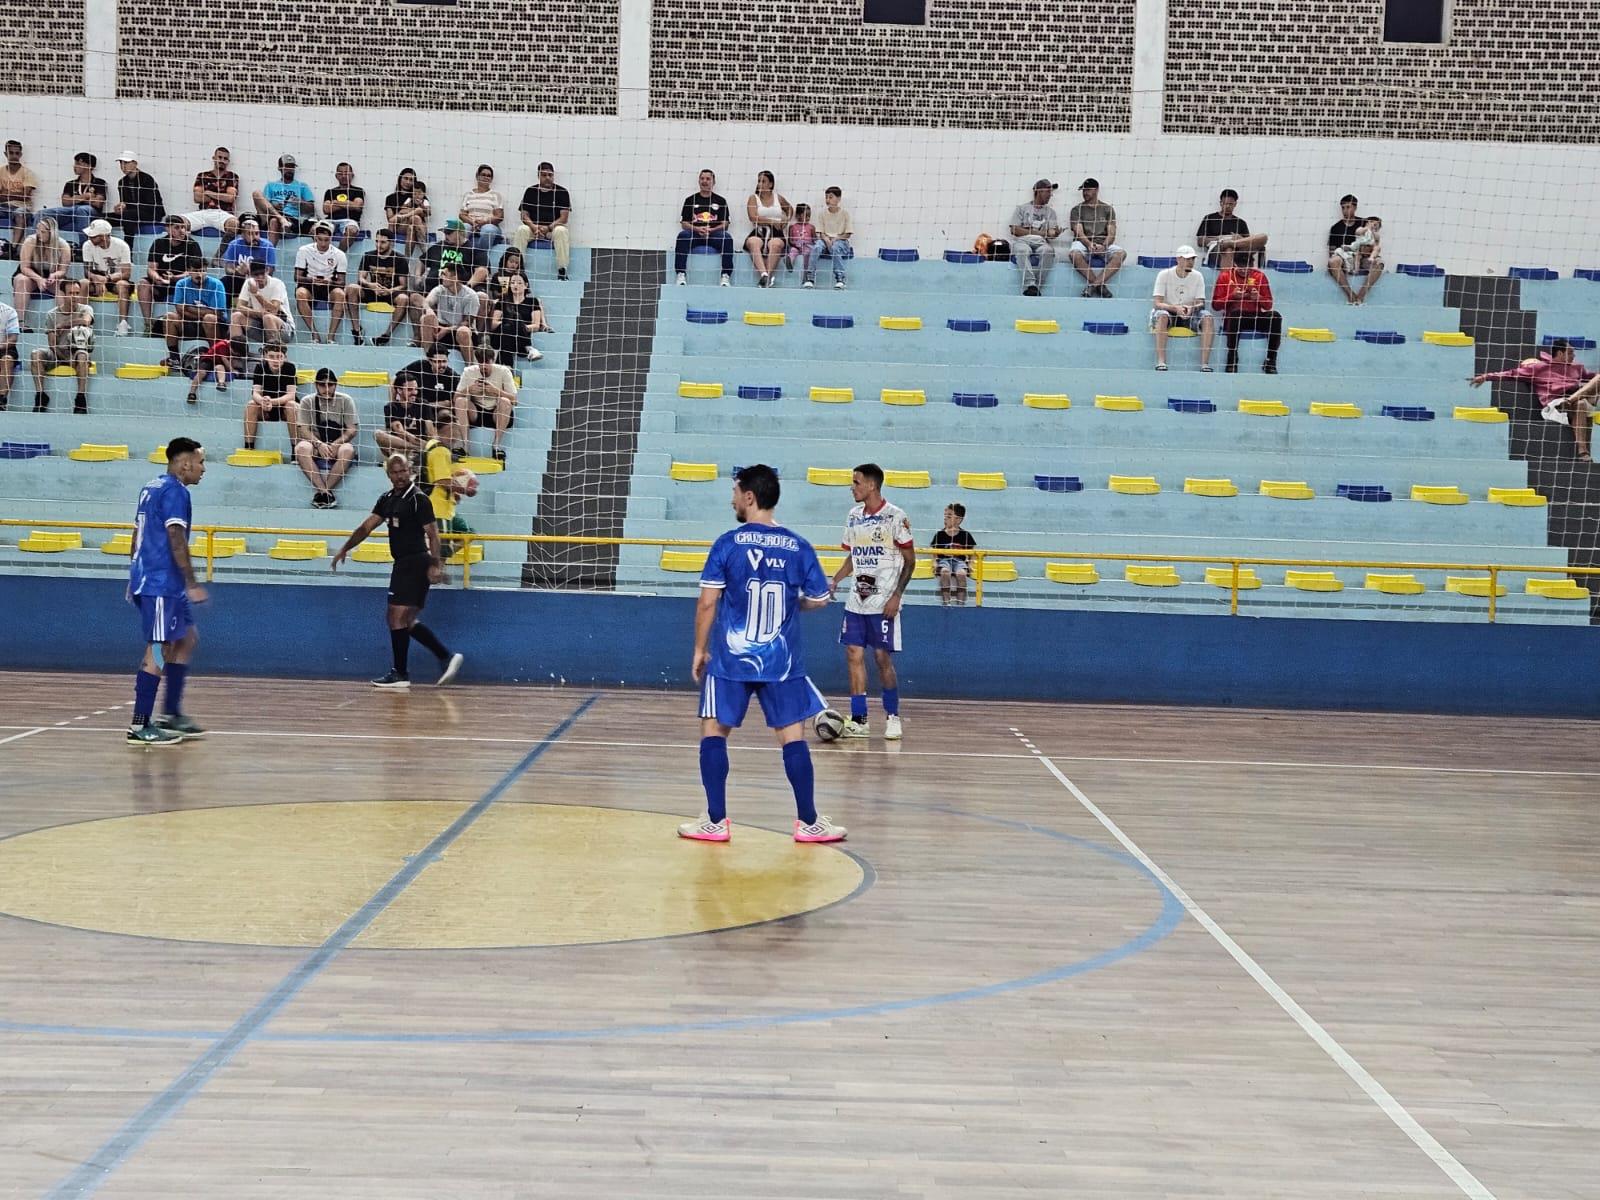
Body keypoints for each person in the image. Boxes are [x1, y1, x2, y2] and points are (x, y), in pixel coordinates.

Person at [679, 463, 845, 845]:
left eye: (736, 493)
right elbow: (821, 598)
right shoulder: (798, 546)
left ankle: (715, 821)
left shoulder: (727, 544)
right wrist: (792, 605)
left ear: (750, 497)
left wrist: (700, 650)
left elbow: (707, 603)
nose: (733, 500)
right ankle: (809, 823)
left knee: (713, 732)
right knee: (792, 738)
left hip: (731, 660)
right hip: (781, 661)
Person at [332, 453, 464, 690]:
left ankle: (401, 673)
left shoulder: (418, 499)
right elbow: (366, 527)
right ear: (388, 475)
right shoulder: (387, 499)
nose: (400, 476)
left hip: (415, 563)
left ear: (409, 471)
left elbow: (434, 534)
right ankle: (445, 657)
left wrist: (436, 565)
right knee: (405, 620)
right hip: (402, 564)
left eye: (403, 471)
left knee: (396, 617)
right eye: (395, 472)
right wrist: (345, 548)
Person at [126, 436, 209, 747]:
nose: (203, 469)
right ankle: (139, 725)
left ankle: (171, 713)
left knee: (186, 638)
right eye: (200, 462)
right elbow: (176, 537)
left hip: (156, 579)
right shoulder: (175, 491)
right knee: (159, 648)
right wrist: (192, 583)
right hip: (160, 582)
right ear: (185, 463)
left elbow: (138, 532)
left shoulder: (151, 486)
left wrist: (133, 571)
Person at [828, 463, 914, 740]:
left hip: (884, 601)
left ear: (872, 485)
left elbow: (910, 561)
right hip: (856, 601)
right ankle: (859, 719)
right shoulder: (853, 516)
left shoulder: (895, 517)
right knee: (853, 654)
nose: (851, 487)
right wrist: (835, 579)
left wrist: (897, 596)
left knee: (881, 657)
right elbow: (853, 556)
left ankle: (892, 716)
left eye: (856, 482)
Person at [1472, 338, 1595, 461]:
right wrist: (1486, 377)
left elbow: (1592, 378)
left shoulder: (1577, 367)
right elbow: (1511, 374)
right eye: (1570, 352)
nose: (1574, 356)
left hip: (1577, 398)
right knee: (1580, 404)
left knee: (1592, 387)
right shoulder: (1539, 368)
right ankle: (1583, 451)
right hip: (1555, 405)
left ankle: (1571, 401)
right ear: (1560, 353)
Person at [295, 368, 359, 508]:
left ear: (336, 384)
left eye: (330, 385)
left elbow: (352, 430)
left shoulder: (346, 400)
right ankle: (325, 492)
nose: (327, 389)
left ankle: (323, 492)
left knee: (348, 450)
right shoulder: (307, 401)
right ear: (316, 385)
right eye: (322, 385)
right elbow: (303, 430)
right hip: (316, 444)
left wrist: (335, 444)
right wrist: (319, 444)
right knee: (301, 448)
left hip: (337, 444)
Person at [30, 279, 94, 414]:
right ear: (63, 294)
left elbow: (86, 321)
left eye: (77, 293)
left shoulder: (85, 309)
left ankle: (80, 399)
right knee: (36, 354)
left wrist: (63, 325)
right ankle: (40, 396)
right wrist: (64, 358)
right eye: (71, 293)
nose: (74, 296)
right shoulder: (52, 314)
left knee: (82, 356)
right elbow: (52, 344)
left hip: (76, 352)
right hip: (57, 352)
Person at [1212, 257, 1282, 374]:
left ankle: (1270, 360)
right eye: (1241, 268)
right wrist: (1232, 296)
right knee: (1235, 314)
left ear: (1252, 266)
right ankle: (1232, 358)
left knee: (1275, 316)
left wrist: (1258, 298)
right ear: (1235, 265)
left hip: (1255, 316)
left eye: (1247, 268)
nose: (1244, 271)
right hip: (1234, 318)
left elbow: (1268, 305)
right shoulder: (1225, 276)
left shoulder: (1259, 276)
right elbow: (1215, 305)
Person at [1152, 245, 1215, 371]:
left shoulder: (1198, 276)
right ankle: (1161, 361)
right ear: (1178, 259)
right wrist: (1175, 308)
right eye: (1187, 259)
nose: (1190, 262)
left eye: (1192, 259)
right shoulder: (1164, 275)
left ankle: (1205, 364)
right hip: (1170, 312)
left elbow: (1201, 302)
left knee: (1207, 317)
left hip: (1189, 313)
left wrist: (1192, 308)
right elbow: (1157, 303)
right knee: (1162, 315)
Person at [156, 262, 227, 369]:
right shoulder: (181, 284)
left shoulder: (217, 284)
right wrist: (203, 313)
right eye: (195, 271)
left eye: (202, 271)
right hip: (189, 323)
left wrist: (189, 308)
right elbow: (180, 310)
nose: (199, 274)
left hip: (214, 325)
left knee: (209, 318)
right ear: (189, 271)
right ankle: (174, 358)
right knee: (170, 316)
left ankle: (215, 357)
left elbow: (217, 312)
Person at [138, 214, 203, 331]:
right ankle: (148, 324)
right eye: (177, 227)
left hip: (183, 283)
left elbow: (195, 272)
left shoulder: (192, 245)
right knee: (143, 283)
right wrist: (157, 278)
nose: (182, 231)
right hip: (162, 283)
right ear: (167, 228)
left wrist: (175, 278)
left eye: (183, 227)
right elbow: (151, 268)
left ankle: (183, 325)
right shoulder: (158, 243)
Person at [454, 344, 518, 462]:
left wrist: (496, 391)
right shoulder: (468, 371)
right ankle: (465, 447)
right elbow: (455, 398)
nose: (483, 366)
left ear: (493, 360)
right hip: (476, 412)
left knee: (505, 401)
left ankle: (496, 446)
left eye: (487, 362)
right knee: (460, 401)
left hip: (496, 413)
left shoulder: (504, 371)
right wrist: (468, 390)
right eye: (480, 363)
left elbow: (514, 400)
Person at [511, 161, 572, 280]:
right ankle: (517, 269)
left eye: (550, 175)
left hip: (552, 229)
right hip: (534, 228)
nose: (547, 178)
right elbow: (524, 215)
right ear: (538, 176)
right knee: (522, 229)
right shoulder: (530, 191)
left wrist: (548, 228)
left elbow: (564, 218)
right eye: (544, 175)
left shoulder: (562, 192)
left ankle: (562, 270)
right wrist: (534, 227)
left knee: (561, 231)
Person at [356, 228, 416, 346]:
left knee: (404, 298)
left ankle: (386, 335)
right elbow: (361, 279)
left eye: (383, 242)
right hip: (373, 290)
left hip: (391, 293)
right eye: (377, 241)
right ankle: (356, 330)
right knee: (352, 288)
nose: (379, 245)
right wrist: (370, 285)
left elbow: (403, 285)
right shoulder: (368, 256)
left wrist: (389, 291)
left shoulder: (400, 259)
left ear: (391, 243)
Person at [294, 221, 352, 343]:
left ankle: (331, 336)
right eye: (320, 239)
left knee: (340, 294)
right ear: (315, 237)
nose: (323, 243)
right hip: (309, 284)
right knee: (300, 293)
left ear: (331, 238)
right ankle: (314, 334)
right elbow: (297, 277)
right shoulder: (304, 250)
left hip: (329, 286)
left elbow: (342, 282)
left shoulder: (339, 254)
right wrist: (312, 280)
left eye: (326, 240)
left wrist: (328, 282)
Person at [674, 169, 733, 286]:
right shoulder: (690, 200)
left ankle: (725, 276)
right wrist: (697, 229)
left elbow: (725, 224)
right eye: (702, 178)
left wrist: (712, 230)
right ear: (698, 181)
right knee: (682, 236)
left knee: (726, 238)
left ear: (713, 182)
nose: (704, 181)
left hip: (714, 234)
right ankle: (681, 274)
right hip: (695, 234)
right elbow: (684, 223)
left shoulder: (721, 201)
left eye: (708, 179)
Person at [11, 216, 72, 328]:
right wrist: (38, 279)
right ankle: (19, 323)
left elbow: (63, 271)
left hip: (51, 276)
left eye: (43, 232)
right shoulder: (30, 241)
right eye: (37, 230)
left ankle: (63, 323)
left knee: (63, 285)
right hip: (30, 274)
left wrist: (54, 275)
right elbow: (24, 267)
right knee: (22, 281)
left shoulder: (63, 246)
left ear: (52, 233)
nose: (39, 234)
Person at [1069, 178, 1126, 297]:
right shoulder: (1077, 210)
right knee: (1074, 254)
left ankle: (1093, 286)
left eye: (1088, 190)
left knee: (1121, 254)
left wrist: (1104, 245)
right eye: (1083, 190)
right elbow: (1079, 232)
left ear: (1096, 190)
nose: (1085, 193)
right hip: (1084, 243)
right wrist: (1089, 244)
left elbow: (1112, 233)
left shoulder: (1107, 209)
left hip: (1102, 243)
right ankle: (1100, 286)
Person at [80, 219, 135, 335]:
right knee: (83, 283)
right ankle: (83, 323)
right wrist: (96, 279)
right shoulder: (87, 245)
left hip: (116, 280)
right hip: (97, 279)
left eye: (93, 236)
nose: (90, 238)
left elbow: (126, 273)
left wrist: (107, 279)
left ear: (104, 236)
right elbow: (87, 271)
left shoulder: (122, 246)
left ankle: (123, 324)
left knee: (123, 285)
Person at [394, 345, 459, 441]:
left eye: (444, 361)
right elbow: (395, 381)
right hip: (415, 409)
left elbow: (451, 402)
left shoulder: (452, 376)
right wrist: (396, 403)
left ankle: (440, 445)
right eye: (438, 362)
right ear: (429, 361)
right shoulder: (419, 366)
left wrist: (426, 405)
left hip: (437, 411)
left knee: (446, 414)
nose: (442, 365)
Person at [243, 341, 300, 451]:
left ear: (285, 357)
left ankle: (295, 449)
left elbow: (291, 395)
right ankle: (248, 447)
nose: (275, 360)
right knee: (251, 405)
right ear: (265, 356)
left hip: (284, 408)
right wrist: (262, 401)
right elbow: (255, 393)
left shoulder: (289, 368)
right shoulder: (260, 367)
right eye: (271, 356)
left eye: (279, 357)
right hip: (266, 408)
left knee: (292, 406)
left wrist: (272, 402)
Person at [1009, 179, 1062, 297]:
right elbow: (1014, 230)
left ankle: (1035, 287)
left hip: (1041, 242)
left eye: (1051, 192)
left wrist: (1054, 233)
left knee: (1048, 251)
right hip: (1023, 240)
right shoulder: (1022, 208)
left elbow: (1051, 232)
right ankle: (1030, 284)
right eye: (1048, 191)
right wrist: (1040, 232)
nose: (1050, 195)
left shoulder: (1051, 212)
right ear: (1039, 191)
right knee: (1022, 250)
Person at [1196, 188, 1268, 271]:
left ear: (1235, 204)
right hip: (1218, 249)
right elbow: (1200, 241)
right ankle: (1229, 245)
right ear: (1221, 203)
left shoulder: (1240, 222)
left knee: (1263, 238)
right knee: (1228, 248)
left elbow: (1248, 242)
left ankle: (1232, 243)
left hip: (1238, 249)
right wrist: (1218, 239)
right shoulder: (1210, 218)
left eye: (1230, 204)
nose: (1227, 206)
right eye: (1225, 203)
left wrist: (1239, 239)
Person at [420, 263, 480, 360]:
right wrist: (428, 309)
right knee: (426, 318)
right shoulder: (440, 289)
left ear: (455, 278)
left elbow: (467, 322)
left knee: (463, 331)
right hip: (441, 329)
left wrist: (447, 330)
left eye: (444, 274)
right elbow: (425, 302)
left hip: (460, 331)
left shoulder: (470, 295)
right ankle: (429, 360)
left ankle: (470, 365)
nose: (441, 277)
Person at [254, 154, 316, 245]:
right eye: (286, 166)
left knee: (274, 221)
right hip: (270, 215)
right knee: (256, 193)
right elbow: (263, 206)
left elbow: (312, 210)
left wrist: (300, 202)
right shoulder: (270, 185)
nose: (289, 169)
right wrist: (273, 205)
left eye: (292, 167)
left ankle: (270, 251)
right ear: (279, 168)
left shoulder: (302, 186)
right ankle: (281, 219)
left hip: (291, 220)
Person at [41, 151, 106, 237]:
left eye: (78, 163)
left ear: (89, 166)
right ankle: (34, 242)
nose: (75, 166)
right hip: (72, 211)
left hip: (90, 213)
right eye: (75, 163)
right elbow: (65, 202)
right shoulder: (71, 183)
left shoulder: (99, 182)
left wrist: (75, 199)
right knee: (43, 213)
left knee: (81, 210)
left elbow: (98, 203)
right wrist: (86, 196)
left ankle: (83, 244)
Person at [744, 170, 791, 288]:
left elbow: (790, 209)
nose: (760, 184)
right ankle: (764, 274)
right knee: (753, 242)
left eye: (763, 181)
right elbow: (752, 217)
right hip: (760, 230)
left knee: (775, 244)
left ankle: (767, 277)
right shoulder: (753, 198)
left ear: (770, 184)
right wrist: (772, 221)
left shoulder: (778, 198)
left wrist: (786, 220)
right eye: (759, 181)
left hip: (776, 231)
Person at [488, 272, 548, 365]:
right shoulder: (502, 302)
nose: (515, 285)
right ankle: (529, 348)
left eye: (519, 283)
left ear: (526, 285)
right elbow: (493, 324)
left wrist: (519, 326)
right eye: (512, 283)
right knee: (508, 324)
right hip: (499, 338)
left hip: (518, 341)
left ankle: (508, 367)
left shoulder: (532, 301)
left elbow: (536, 326)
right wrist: (509, 322)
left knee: (513, 320)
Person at [231, 257, 295, 343]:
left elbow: (273, 311)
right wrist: (259, 313)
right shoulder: (249, 283)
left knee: (268, 318)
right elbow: (239, 307)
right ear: (251, 275)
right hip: (260, 325)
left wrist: (257, 294)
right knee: (236, 316)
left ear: (267, 270)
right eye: (256, 275)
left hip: (283, 327)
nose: (260, 277)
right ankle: (237, 349)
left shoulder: (277, 284)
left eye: (262, 273)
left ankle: (274, 348)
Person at [376, 374, 439, 460]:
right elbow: (400, 432)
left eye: (416, 389)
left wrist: (433, 444)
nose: (414, 392)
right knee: (378, 434)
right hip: (402, 446)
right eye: (409, 389)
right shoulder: (391, 407)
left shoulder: (423, 404)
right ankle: (417, 449)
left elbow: (430, 431)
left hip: (421, 442)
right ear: (399, 390)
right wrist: (417, 445)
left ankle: (422, 451)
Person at [180, 146, 240, 235]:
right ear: (214, 158)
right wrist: (222, 196)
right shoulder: (202, 175)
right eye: (220, 157)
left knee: (234, 224)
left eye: (225, 159)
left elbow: (231, 198)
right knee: (177, 221)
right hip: (203, 212)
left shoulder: (232, 176)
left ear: (228, 161)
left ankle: (225, 244)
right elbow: (197, 198)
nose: (222, 160)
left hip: (223, 214)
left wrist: (209, 193)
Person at [419, 218, 488, 294]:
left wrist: (467, 287)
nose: (446, 236)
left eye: (449, 233)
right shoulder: (439, 246)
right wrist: (418, 277)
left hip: (460, 290)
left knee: (481, 296)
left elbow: (482, 271)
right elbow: (422, 261)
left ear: (460, 233)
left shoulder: (474, 249)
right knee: (414, 297)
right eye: (445, 233)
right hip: (433, 288)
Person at [218, 214, 276, 303]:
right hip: (239, 279)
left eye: (257, 233)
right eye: (250, 234)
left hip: (260, 280)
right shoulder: (234, 244)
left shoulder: (268, 246)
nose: (255, 237)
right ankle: (226, 309)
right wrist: (238, 272)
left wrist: (250, 272)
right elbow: (228, 269)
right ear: (243, 235)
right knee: (224, 282)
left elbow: (270, 271)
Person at [931, 503, 977, 607]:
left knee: (961, 574)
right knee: (944, 572)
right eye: (945, 516)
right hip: (944, 561)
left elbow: (972, 551)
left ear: (958, 519)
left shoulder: (965, 535)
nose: (945, 518)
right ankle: (946, 603)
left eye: (949, 516)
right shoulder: (940, 534)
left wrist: (970, 564)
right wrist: (934, 562)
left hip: (959, 561)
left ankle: (960, 604)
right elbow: (934, 550)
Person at [110, 150, 165, 234]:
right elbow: (124, 202)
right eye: (121, 163)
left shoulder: (147, 179)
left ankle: (128, 242)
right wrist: (120, 208)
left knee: (128, 215)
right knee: (104, 217)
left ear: (135, 163)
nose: (123, 166)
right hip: (132, 213)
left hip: (152, 213)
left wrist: (127, 207)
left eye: (126, 163)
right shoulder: (122, 182)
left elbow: (151, 205)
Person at [1332, 216, 1383, 305]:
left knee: (1377, 250)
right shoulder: (1362, 229)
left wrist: (1373, 233)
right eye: (1372, 223)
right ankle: (1355, 269)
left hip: (1369, 255)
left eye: (1376, 226)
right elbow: (1358, 232)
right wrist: (1367, 228)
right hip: (1358, 249)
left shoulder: (1375, 235)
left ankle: (1360, 296)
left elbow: (1376, 242)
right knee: (1357, 255)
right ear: (1367, 223)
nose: (1374, 226)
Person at [184, 336, 248, 404]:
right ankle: (192, 393)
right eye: (236, 353)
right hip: (208, 360)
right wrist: (232, 370)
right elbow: (224, 359)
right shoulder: (222, 345)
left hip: (217, 363)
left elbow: (228, 361)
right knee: (202, 373)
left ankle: (221, 383)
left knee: (220, 367)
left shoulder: (229, 350)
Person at [458, 164, 504, 251]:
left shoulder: (495, 195)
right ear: (477, 176)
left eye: (489, 176)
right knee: (463, 228)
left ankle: (481, 255)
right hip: (471, 223)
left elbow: (499, 216)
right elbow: (462, 214)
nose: (486, 177)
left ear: (491, 179)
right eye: (483, 175)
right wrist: (472, 222)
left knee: (488, 230)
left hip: (489, 224)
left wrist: (484, 222)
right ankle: (463, 255)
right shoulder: (468, 194)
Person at [815, 186, 853, 290]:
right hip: (826, 239)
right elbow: (821, 232)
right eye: (826, 197)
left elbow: (848, 234)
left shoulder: (845, 214)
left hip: (841, 240)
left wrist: (837, 238)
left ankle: (840, 278)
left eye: (831, 197)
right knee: (816, 247)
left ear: (838, 198)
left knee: (835, 247)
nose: (828, 200)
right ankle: (809, 277)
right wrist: (826, 238)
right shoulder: (822, 214)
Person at [0, 139, 39, 241]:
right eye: (11, 153)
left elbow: (25, 196)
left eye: (17, 153)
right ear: (5, 154)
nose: (14, 156)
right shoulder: (0, 171)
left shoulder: (28, 173)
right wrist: (17, 194)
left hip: (21, 207)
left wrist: (5, 193)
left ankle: (13, 247)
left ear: (20, 154)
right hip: (3, 206)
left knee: (20, 215)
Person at [321, 161, 364, 251]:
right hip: (330, 220)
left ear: (352, 175)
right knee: (314, 230)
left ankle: (337, 255)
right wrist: (348, 203)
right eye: (340, 173)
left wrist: (335, 203)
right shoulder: (330, 192)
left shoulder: (358, 191)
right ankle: (325, 255)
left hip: (350, 220)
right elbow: (326, 209)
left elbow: (357, 206)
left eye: (346, 173)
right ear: (336, 176)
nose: (344, 176)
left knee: (352, 231)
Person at [384, 167, 431, 248]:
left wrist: (406, 211)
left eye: (411, 180)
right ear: (400, 179)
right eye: (405, 178)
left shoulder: (418, 196)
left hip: (418, 226)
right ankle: (425, 252)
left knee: (413, 224)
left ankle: (409, 256)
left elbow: (426, 213)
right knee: (415, 219)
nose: (408, 182)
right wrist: (413, 211)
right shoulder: (390, 198)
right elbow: (390, 219)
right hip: (401, 226)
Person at [786, 202, 817, 286]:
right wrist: (795, 244)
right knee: (793, 251)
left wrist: (808, 243)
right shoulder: (792, 227)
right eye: (805, 215)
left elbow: (815, 240)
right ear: (798, 215)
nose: (808, 218)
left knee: (807, 254)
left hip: (807, 247)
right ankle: (789, 262)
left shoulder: (811, 227)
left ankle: (806, 276)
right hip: (796, 246)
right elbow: (790, 240)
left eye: (809, 216)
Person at [0, 297, 17, 410]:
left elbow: (13, 339)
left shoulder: (9, 311)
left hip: (3, 347)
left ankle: (1, 399)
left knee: (7, 359)